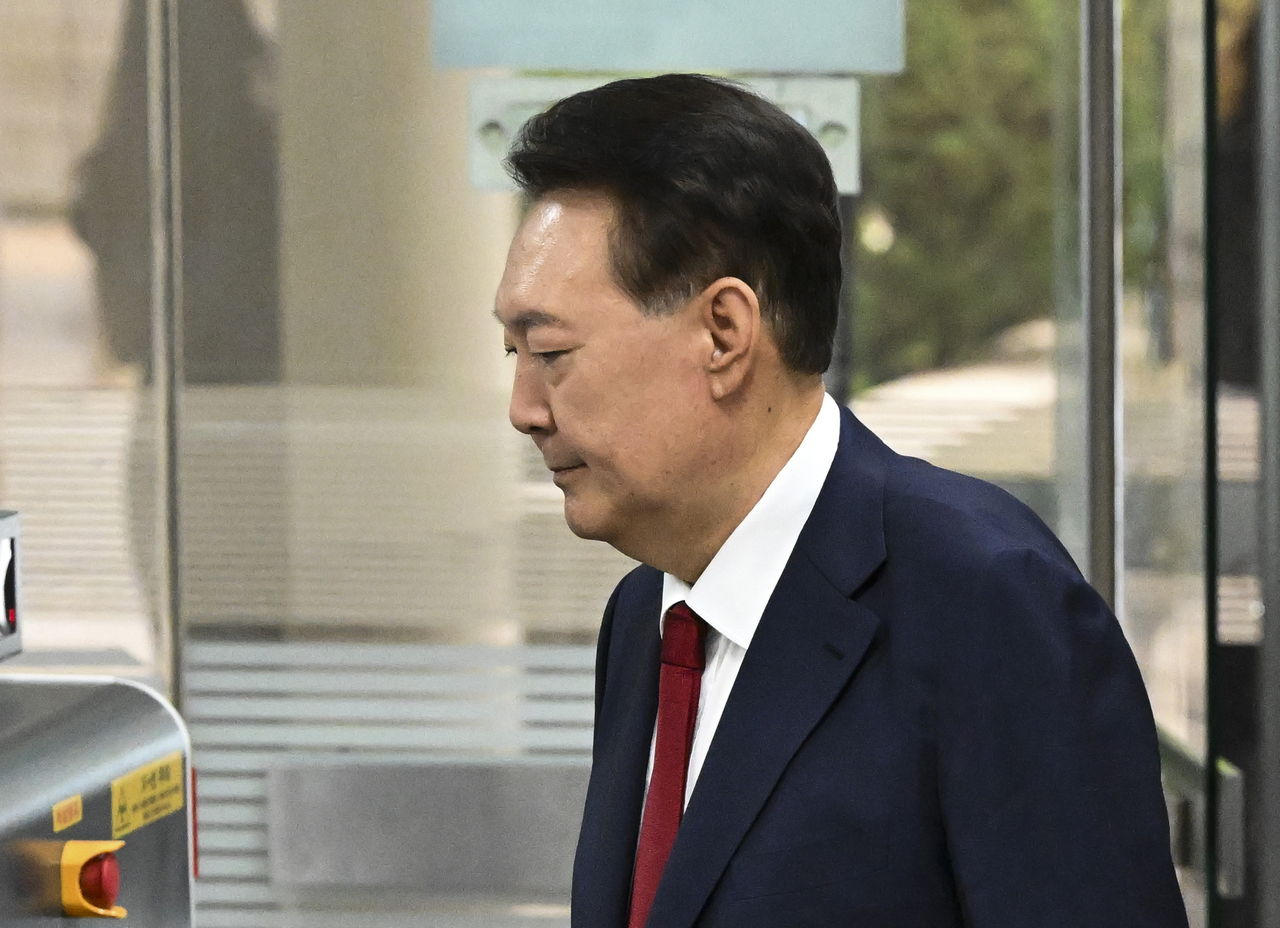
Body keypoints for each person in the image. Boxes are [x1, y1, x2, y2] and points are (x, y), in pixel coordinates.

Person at [495, 74, 1188, 928]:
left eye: (551, 351)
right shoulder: (647, 615)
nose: (524, 408)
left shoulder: (987, 601)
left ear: (724, 333)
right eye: (512, 354)